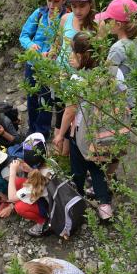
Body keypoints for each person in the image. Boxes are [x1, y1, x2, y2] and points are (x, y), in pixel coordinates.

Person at [53, 32, 113, 220]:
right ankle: (105, 209)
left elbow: (70, 111)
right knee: (98, 169)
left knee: (78, 169)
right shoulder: (110, 73)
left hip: (82, 133)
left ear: (81, 56)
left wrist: (60, 135)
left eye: (72, 53)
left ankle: (76, 200)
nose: (70, 57)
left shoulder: (78, 80)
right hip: (105, 132)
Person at [95, 0, 137, 181]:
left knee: (119, 137)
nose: (105, 24)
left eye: (108, 21)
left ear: (117, 24)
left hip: (127, 101)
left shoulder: (117, 48)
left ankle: (107, 176)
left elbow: (107, 77)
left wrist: (99, 41)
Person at [52, 0, 97, 156]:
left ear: (90, 3)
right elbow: (58, 42)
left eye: (82, 6)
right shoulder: (65, 19)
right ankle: (61, 151)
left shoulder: (96, 25)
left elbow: (98, 57)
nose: (78, 10)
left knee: (77, 118)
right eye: (74, 6)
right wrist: (52, 54)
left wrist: (81, 63)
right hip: (62, 75)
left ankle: (76, 153)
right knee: (61, 111)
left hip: (81, 79)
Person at [19, 0, 67, 138]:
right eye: (49, 0)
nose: (52, 4)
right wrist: (30, 45)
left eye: (56, 1)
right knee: (32, 99)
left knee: (47, 100)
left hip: (52, 67)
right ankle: (32, 130)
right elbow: (24, 35)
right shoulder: (39, 13)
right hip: (33, 63)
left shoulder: (66, 18)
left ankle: (42, 133)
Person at [7, 133, 53, 236]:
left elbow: (11, 198)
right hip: (51, 195)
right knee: (18, 182)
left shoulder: (37, 180)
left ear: (27, 165)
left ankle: (43, 222)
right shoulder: (49, 163)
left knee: (19, 207)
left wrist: (12, 172)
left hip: (50, 207)